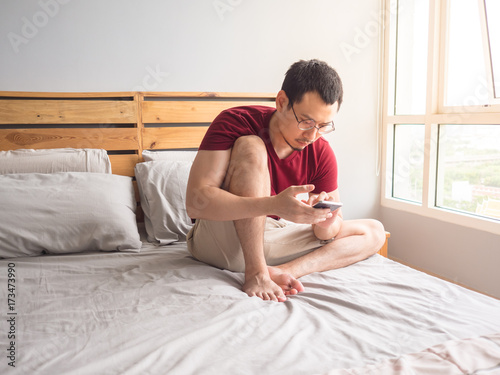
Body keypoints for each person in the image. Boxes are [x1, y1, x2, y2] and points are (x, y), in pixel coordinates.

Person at [186, 59, 386, 303]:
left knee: (374, 232)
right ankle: (257, 273)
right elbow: (196, 203)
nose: (312, 136)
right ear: (281, 102)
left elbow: (329, 233)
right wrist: (272, 206)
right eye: (306, 122)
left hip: (268, 238)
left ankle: (283, 271)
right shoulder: (236, 121)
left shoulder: (321, 152)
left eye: (323, 126)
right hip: (218, 241)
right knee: (251, 145)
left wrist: (324, 220)